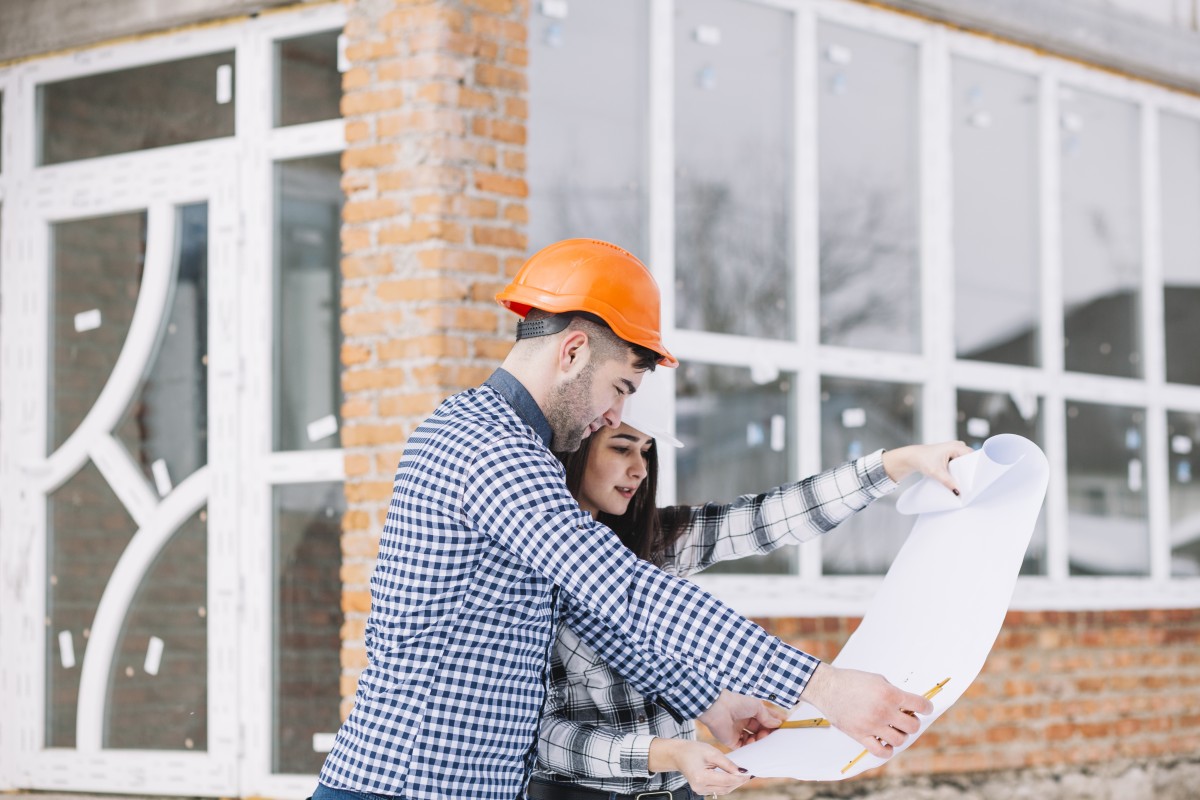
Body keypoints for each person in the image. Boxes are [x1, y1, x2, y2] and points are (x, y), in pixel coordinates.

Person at [312, 239, 953, 800]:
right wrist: (825, 686)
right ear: (571, 352)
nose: (617, 418)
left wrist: (714, 703)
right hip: (404, 785)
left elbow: (604, 619)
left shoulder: (519, 457)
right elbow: (625, 590)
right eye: (620, 387)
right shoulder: (488, 448)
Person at [531, 376, 972, 799]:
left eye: (647, 452)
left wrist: (900, 462)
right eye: (622, 448)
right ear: (576, 449)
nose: (639, 470)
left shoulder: (655, 543)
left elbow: (771, 518)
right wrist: (669, 754)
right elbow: (539, 735)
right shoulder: (530, 571)